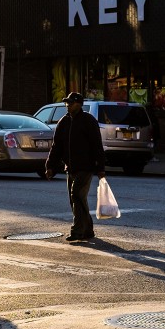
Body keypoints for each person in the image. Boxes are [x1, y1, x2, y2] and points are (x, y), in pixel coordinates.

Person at [45, 92, 106, 242]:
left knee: (77, 194)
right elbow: (56, 147)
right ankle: (88, 230)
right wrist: (50, 166)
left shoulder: (88, 121)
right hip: (70, 167)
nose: (68, 105)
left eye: (70, 103)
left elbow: (97, 145)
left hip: (86, 167)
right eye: (67, 103)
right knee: (77, 200)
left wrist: (100, 168)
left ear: (79, 104)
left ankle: (77, 231)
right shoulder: (63, 122)